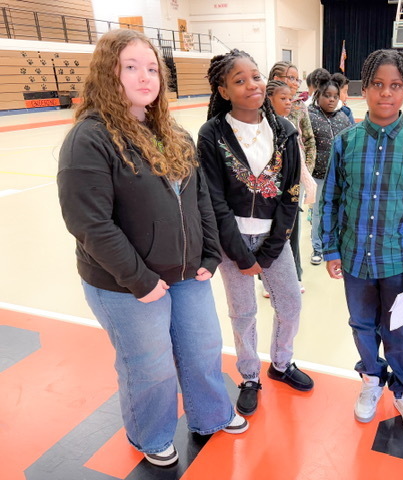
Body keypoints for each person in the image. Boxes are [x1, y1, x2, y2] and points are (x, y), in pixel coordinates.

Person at [56, 29, 247, 468]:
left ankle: (211, 414)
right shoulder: (90, 138)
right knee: (150, 366)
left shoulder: (171, 131)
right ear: (109, 73)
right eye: (130, 67)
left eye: (151, 68)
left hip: (187, 274)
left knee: (203, 349)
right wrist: (141, 281)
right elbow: (89, 223)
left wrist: (209, 255)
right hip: (127, 285)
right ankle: (150, 434)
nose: (145, 77)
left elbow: (200, 199)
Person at [320, 49, 403, 438]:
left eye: (395, 86)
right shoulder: (346, 143)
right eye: (377, 85)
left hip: (399, 263)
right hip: (355, 260)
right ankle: (371, 377)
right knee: (362, 325)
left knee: (401, 332)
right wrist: (331, 247)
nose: (385, 93)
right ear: (364, 88)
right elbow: (332, 199)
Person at [198, 50, 314, 419]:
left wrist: (270, 248)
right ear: (224, 90)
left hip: (273, 240)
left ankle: (281, 362)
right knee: (243, 312)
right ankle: (249, 376)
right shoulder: (212, 134)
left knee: (291, 304)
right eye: (240, 80)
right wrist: (240, 253)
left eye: (256, 76)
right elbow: (213, 198)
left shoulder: (284, 130)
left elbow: (291, 193)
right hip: (232, 244)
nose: (253, 85)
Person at [268, 61, 317, 293]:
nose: (295, 83)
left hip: (295, 176)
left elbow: (308, 141)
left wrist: (304, 171)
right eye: (291, 77)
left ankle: (295, 274)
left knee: (293, 228)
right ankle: (266, 279)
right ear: (276, 77)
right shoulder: (262, 110)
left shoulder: (299, 107)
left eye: (298, 79)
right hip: (270, 182)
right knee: (269, 230)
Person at [307, 71, 351, 266]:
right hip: (318, 175)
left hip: (341, 177)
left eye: (335, 96)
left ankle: (336, 246)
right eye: (327, 95)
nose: (332, 100)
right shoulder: (310, 116)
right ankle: (317, 247)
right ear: (318, 95)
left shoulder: (343, 118)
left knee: (340, 212)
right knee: (319, 213)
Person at [267, 79, 317, 218]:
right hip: (269, 190)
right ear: (268, 99)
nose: (289, 102)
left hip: (288, 189)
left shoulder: (289, 125)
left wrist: (308, 183)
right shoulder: (262, 125)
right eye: (283, 98)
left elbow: (298, 157)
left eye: (289, 98)